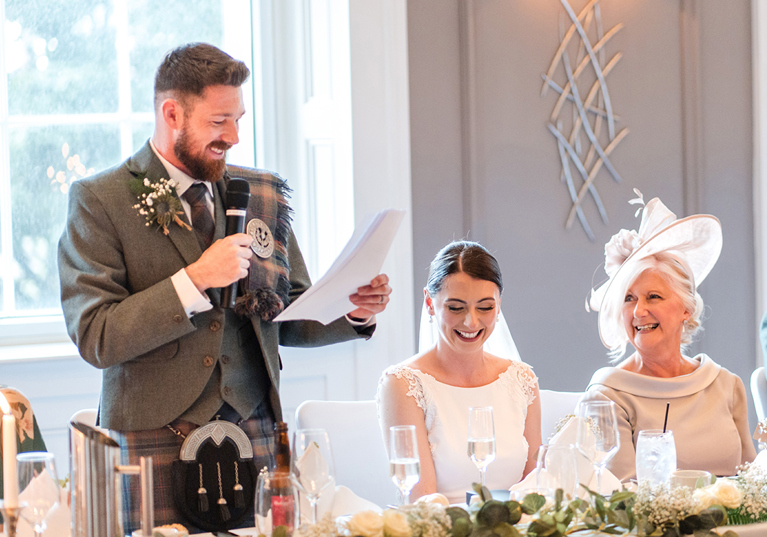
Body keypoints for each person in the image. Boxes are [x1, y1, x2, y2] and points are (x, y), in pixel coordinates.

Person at [58, 43, 391, 533]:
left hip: (254, 430)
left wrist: (354, 310)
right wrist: (194, 280)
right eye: (219, 122)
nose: (234, 136)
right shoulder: (99, 200)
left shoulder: (258, 192)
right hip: (152, 437)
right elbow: (96, 334)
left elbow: (285, 311)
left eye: (238, 119)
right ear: (172, 113)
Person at [582, 193, 755, 482]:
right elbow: (621, 499)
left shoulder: (726, 385)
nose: (638, 311)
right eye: (628, 298)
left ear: (686, 308)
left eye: (653, 296)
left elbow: (752, 480)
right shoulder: (608, 395)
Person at [377, 241, 540, 503]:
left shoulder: (522, 380)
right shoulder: (402, 384)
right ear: (430, 303)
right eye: (456, 307)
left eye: (485, 307)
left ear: (498, 306)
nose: (471, 322)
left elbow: (535, 484)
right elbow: (423, 501)